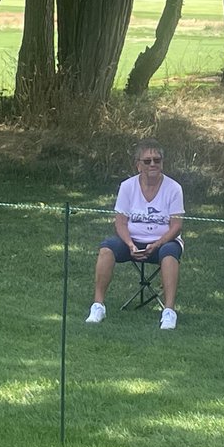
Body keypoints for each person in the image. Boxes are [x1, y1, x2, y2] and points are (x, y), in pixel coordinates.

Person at [85, 138, 185, 330]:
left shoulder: (174, 188)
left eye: (158, 160)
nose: (153, 164)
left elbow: (176, 226)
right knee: (107, 248)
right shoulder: (127, 186)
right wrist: (130, 244)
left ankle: (169, 311)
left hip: (164, 242)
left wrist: (157, 244)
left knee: (170, 253)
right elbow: (120, 222)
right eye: (147, 161)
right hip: (132, 241)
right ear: (138, 165)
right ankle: (98, 306)